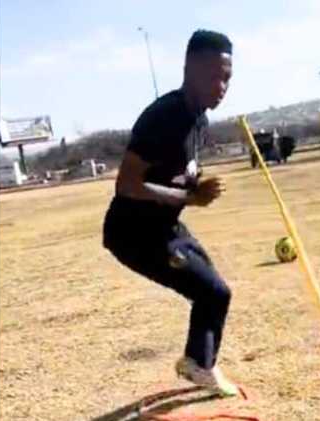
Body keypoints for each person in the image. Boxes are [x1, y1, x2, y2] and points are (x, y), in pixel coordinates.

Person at [103, 30, 238, 397]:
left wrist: (196, 189)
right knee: (212, 292)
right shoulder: (165, 115)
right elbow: (127, 184)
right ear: (189, 69)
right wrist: (192, 199)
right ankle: (200, 364)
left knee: (216, 292)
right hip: (133, 232)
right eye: (214, 76)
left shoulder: (199, 121)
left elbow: (176, 177)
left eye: (227, 77)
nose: (222, 86)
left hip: (165, 226)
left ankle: (196, 360)